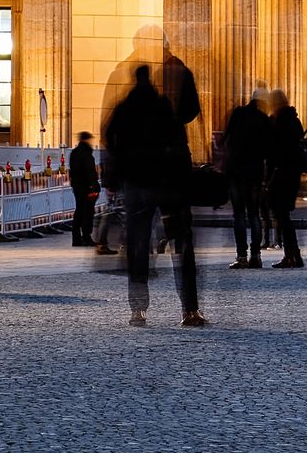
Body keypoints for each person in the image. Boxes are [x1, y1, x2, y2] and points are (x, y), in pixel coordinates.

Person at [102, 62, 204, 328]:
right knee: (182, 246)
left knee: (138, 246)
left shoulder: (125, 109)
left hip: (137, 184)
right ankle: (189, 309)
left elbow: (110, 141)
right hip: (168, 184)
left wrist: (113, 179)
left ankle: (138, 310)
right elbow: (179, 146)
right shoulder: (164, 109)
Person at [220, 88, 271, 268]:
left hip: (236, 172)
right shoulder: (264, 120)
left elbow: (225, 140)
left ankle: (241, 257)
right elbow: (268, 149)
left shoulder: (238, 114)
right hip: (254, 173)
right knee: (254, 215)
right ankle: (256, 256)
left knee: (239, 215)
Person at [264, 89, 307, 269]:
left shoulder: (279, 122)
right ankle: (294, 256)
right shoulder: (294, 120)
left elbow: (274, 152)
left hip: (282, 174)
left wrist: (267, 178)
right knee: (284, 216)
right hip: (292, 174)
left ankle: (291, 256)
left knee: (281, 216)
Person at [68, 131, 100, 246]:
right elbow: (90, 171)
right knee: (88, 212)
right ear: (86, 140)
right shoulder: (86, 154)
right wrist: (93, 186)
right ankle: (86, 236)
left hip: (77, 187)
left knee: (79, 211)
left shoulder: (74, 153)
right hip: (87, 188)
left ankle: (76, 238)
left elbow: (72, 170)